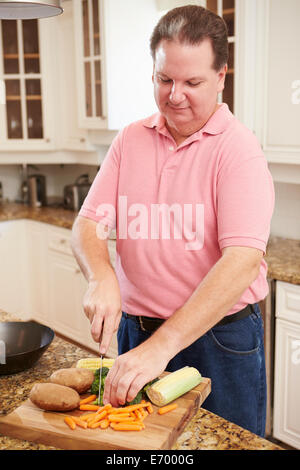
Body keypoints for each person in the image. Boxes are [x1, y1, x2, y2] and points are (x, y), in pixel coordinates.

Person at [71, 5, 274, 437]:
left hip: (219, 341)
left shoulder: (238, 150)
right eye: (165, 79)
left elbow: (241, 259)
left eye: (192, 82)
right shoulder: (130, 139)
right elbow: (88, 224)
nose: (175, 94)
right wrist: (100, 276)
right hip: (137, 333)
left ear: (221, 76)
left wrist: (162, 347)